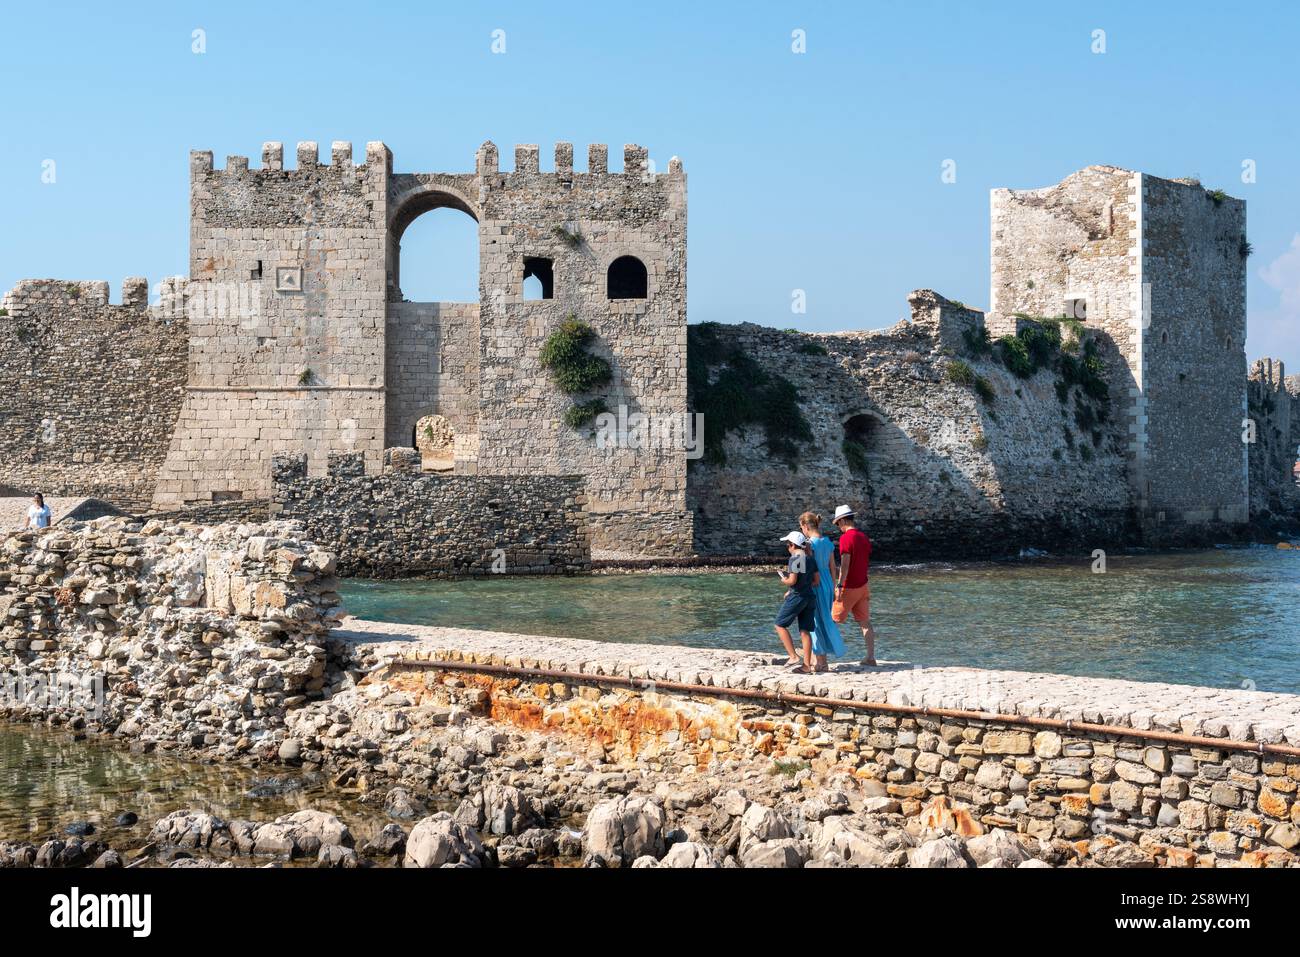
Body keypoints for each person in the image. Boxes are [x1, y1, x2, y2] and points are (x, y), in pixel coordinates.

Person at [831, 504, 877, 666]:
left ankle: (820, 658)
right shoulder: (863, 537)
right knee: (865, 622)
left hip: (849, 587)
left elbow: (845, 565)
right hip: (863, 585)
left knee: (831, 621)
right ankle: (870, 657)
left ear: (843, 520)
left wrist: (839, 585)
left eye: (838, 524)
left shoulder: (846, 538)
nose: (838, 527)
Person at [799, 510, 845, 672]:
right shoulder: (827, 542)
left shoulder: (809, 545)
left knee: (815, 622)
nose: (801, 531)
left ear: (805, 526)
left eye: (801, 528)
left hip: (815, 583)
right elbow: (834, 567)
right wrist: (834, 587)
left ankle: (821, 662)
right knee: (826, 619)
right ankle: (820, 657)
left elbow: (808, 568)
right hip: (827, 583)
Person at [773, 530, 818, 674]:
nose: (787, 547)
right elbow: (816, 581)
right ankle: (806, 666)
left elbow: (793, 580)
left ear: (792, 545)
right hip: (809, 597)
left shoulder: (795, 558)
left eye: (787, 544)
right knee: (805, 631)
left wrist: (784, 580)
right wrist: (794, 587)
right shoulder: (810, 558)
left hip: (797, 596)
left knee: (779, 624)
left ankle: (793, 656)